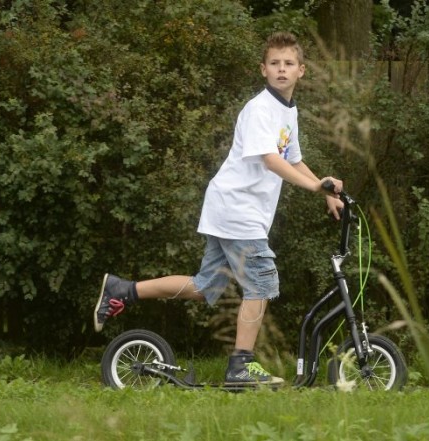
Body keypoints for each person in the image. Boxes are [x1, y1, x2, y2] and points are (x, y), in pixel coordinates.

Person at [93, 31, 343, 385]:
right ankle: (240, 365)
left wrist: (325, 191)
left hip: (233, 209)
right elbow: (271, 161)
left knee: (203, 286)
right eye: (275, 64)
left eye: (289, 64)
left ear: (301, 70)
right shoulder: (259, 109)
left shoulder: (288, 112)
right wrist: (317, 186)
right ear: (263, 69)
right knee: (262, 282)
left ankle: (122, 290)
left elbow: (294, 160)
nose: (282, 69)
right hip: (237, 209)